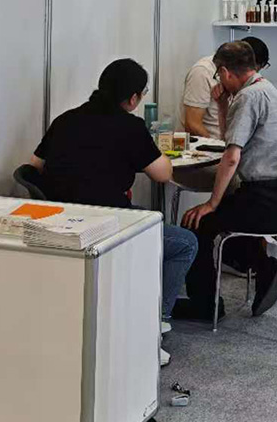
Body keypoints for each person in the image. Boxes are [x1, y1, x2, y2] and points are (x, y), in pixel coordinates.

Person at [30, 58, 197, 366]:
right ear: (133, 98)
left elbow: (33, 166)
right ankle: (153, 322)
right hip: (108, 225)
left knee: (146, 218)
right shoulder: (130, 127)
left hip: (62, 223)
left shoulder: (65, 119)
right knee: (185, 243)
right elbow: (162, 173)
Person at [175, 41, 277, 321]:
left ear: (224, 72)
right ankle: (264, 265)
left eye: (219, 75)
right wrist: (221, 105)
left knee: (196, 222)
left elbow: (230, 157)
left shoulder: (247, 97)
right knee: (223, 215)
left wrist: (211, 203)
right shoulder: (268, 90)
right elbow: (230, 139)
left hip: (264, 199)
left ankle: (205, 305)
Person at [179, 36, 270, 139]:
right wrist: (216, 145)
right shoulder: (203, 72)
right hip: (209, 143)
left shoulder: (251, 83)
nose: (251, 76)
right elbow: (192, 124)